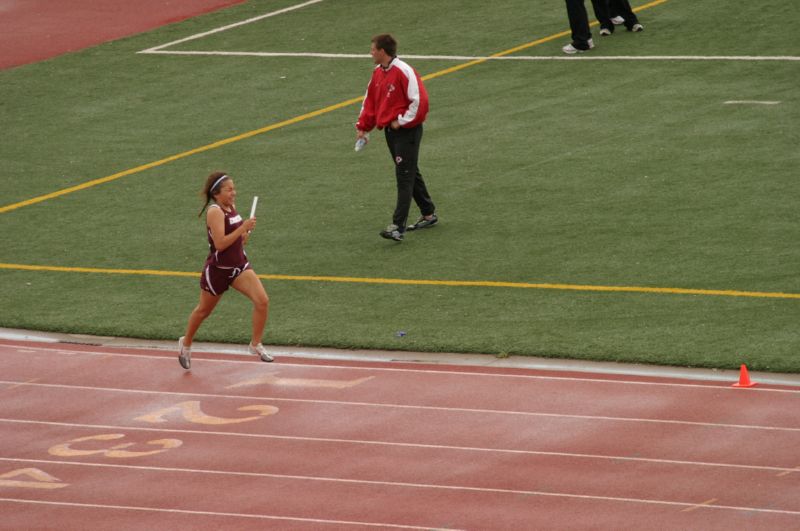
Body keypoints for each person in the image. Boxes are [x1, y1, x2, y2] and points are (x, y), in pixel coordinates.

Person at [178, 171, 272, 369]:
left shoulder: (231, 207)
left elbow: (240, 239)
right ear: (216, 194)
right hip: (219, 270)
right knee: (204, 310)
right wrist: (241, 228)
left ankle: (255, 344)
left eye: (234, 189)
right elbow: (220, 244)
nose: (234, 193)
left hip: (239, 266)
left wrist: (245, 232)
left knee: (262, 301)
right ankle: (186, 343)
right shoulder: (215, 211)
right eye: (229, 190)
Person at [355, 33, 438, 242]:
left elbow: (420, 102)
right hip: (391, 133)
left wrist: (401, 121)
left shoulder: (404, 71)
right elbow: (371, 102)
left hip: (407, 132)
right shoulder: (378, 73)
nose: (371, 53)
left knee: (404, 175)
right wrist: (363, 127)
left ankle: (397, 226)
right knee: (409, 170)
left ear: (383, 51)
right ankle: (428, 213)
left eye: (373, 49)